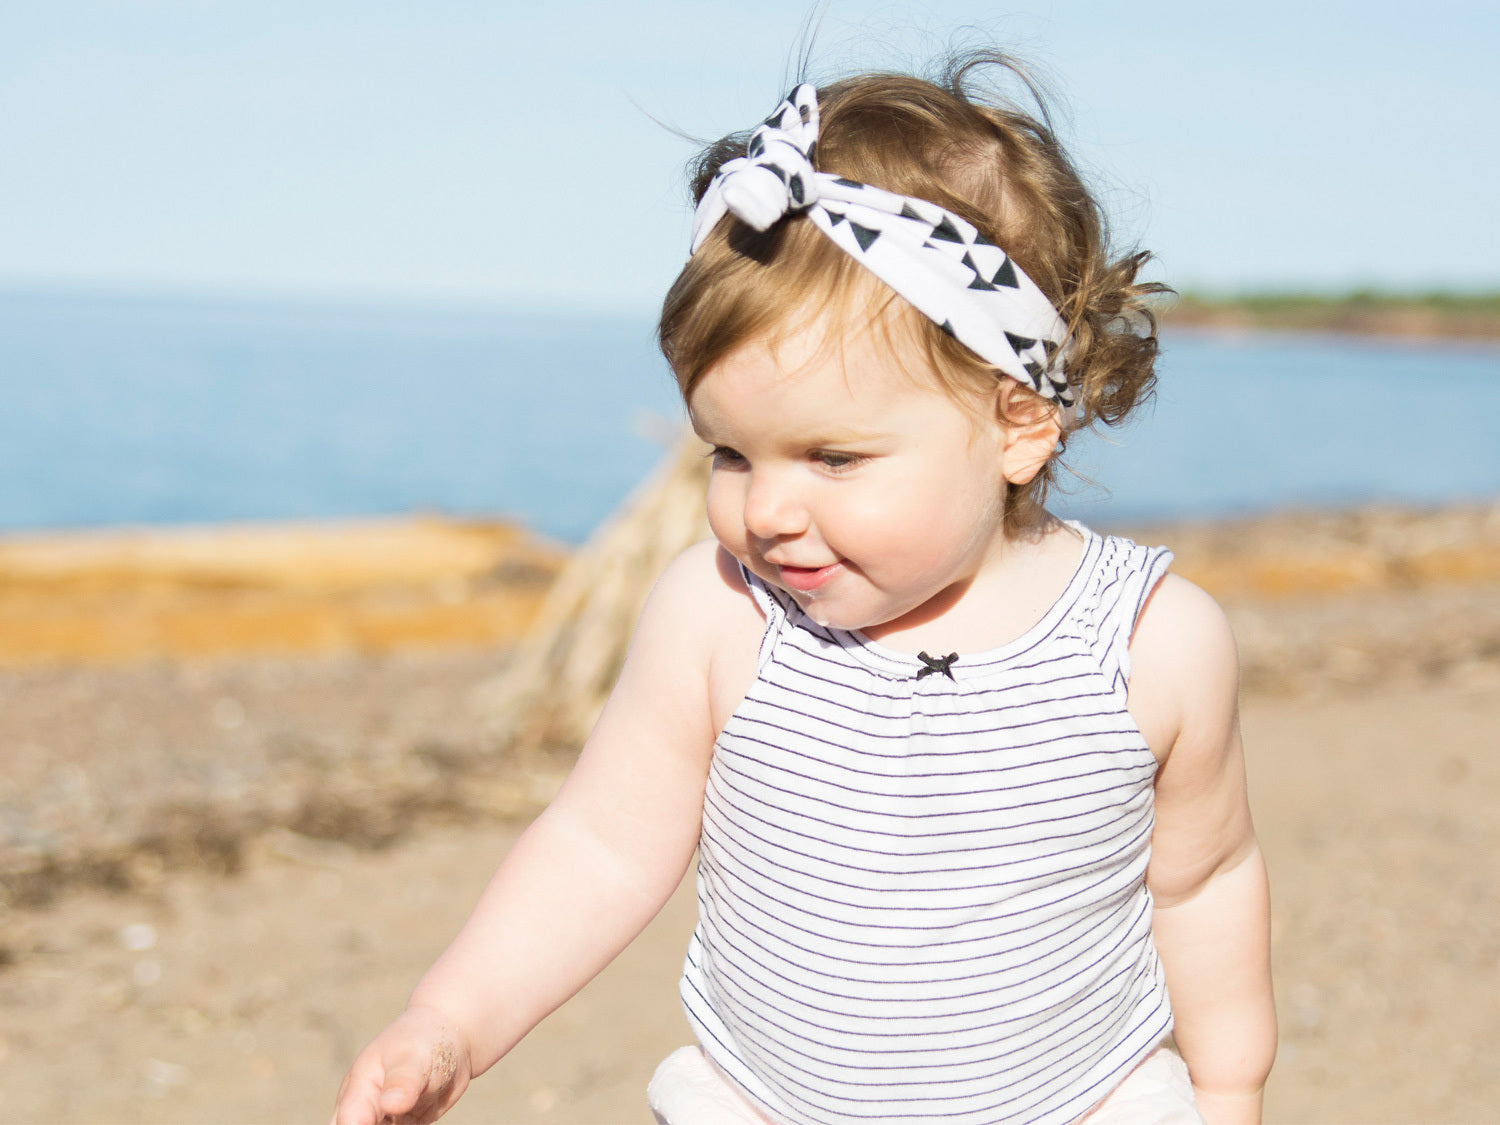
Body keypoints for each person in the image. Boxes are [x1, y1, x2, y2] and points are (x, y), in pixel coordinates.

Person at [331, 53, 1276, 1125]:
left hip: (1078, 1103)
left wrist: (1231, 1082)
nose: (767, 511)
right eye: (730, 453)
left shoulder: (1150, 643)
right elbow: (601, 843)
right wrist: (449, 1020)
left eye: (832, 458)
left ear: (1019, 424)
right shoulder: (721, 614)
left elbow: (1204, 881)